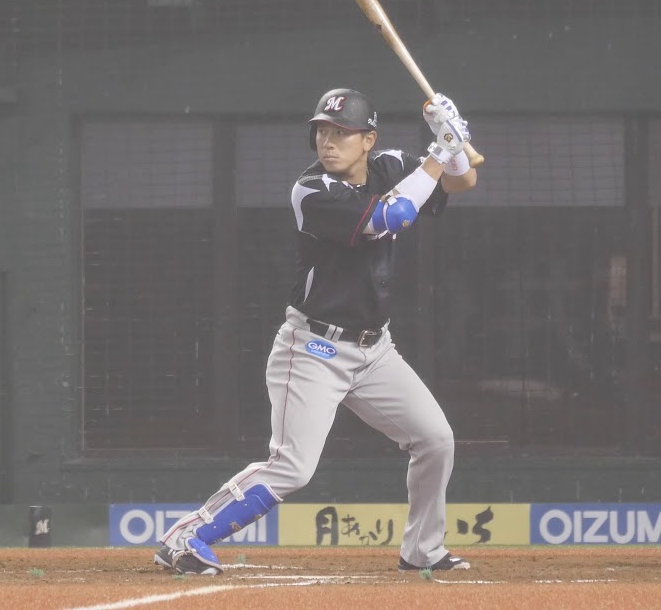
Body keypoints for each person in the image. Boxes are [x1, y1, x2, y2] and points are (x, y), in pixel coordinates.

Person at [153, 89, 479, 575]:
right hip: (313, 349)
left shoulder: (390, 165)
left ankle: (422, 551)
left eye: (341, 132)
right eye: (322, 131)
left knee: (435, 439)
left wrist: (453, 143)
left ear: (368, 140)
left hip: (375, 349)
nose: (328, 141)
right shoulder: (312, 189)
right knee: (293, 466)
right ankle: (185, 538)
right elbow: (391, 217)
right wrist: (440, 152)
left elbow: (462, 181)